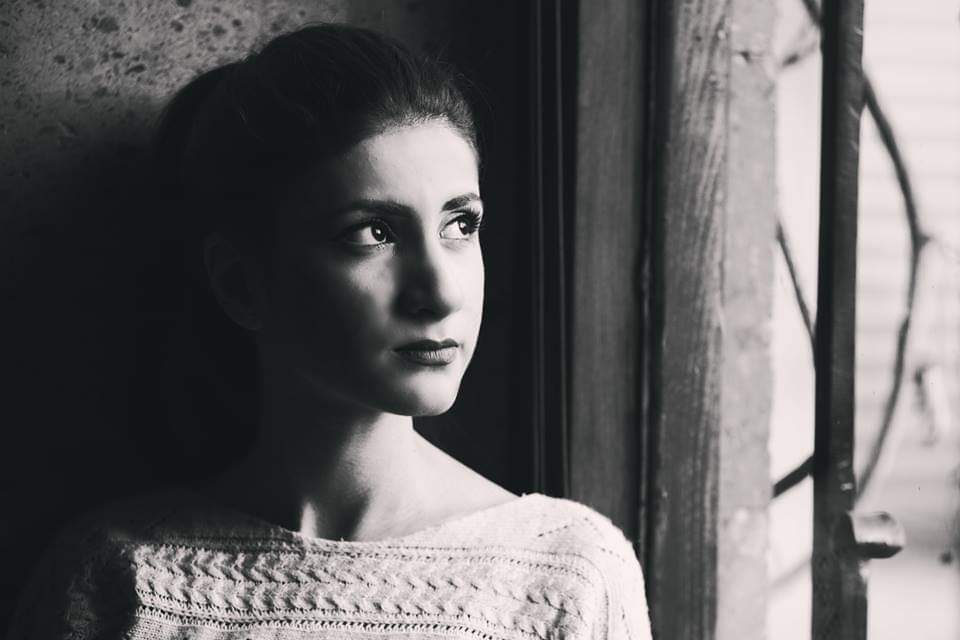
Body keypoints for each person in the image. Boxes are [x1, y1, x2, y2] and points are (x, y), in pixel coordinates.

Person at [6, 23, 652, 640]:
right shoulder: (118, 578)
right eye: (374, 233)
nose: (441, 292)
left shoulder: (563, 576)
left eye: (461, 224)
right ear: (241, 283)